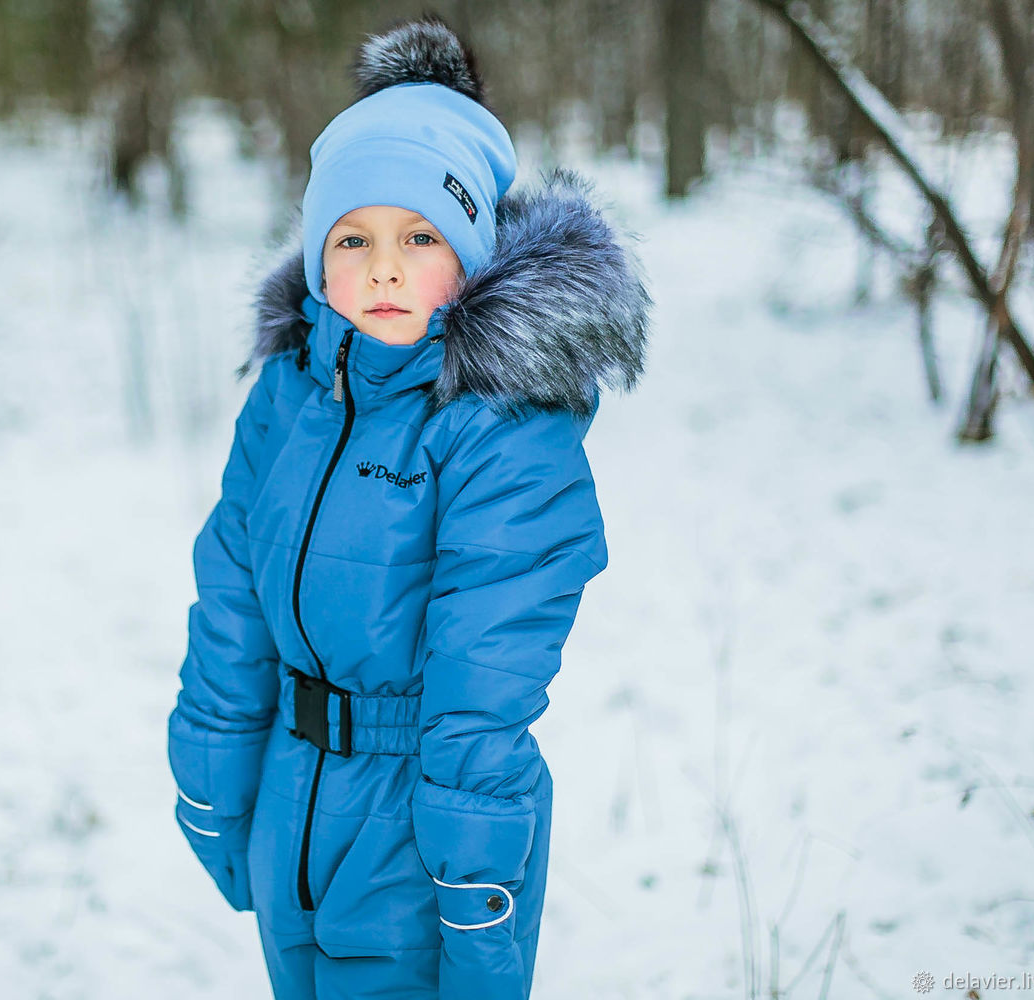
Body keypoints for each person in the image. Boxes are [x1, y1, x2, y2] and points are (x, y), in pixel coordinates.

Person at [166, 15, 651, 1000]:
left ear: (471, 254)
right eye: (354, 238)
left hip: (413, 817)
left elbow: (488, 667)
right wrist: (211, 767)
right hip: (290, 789)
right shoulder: (292, 394)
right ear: (315, 254)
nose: (383, 267)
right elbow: (231, 587)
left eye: (420, 236)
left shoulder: (503, 430)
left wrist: (475, 868)